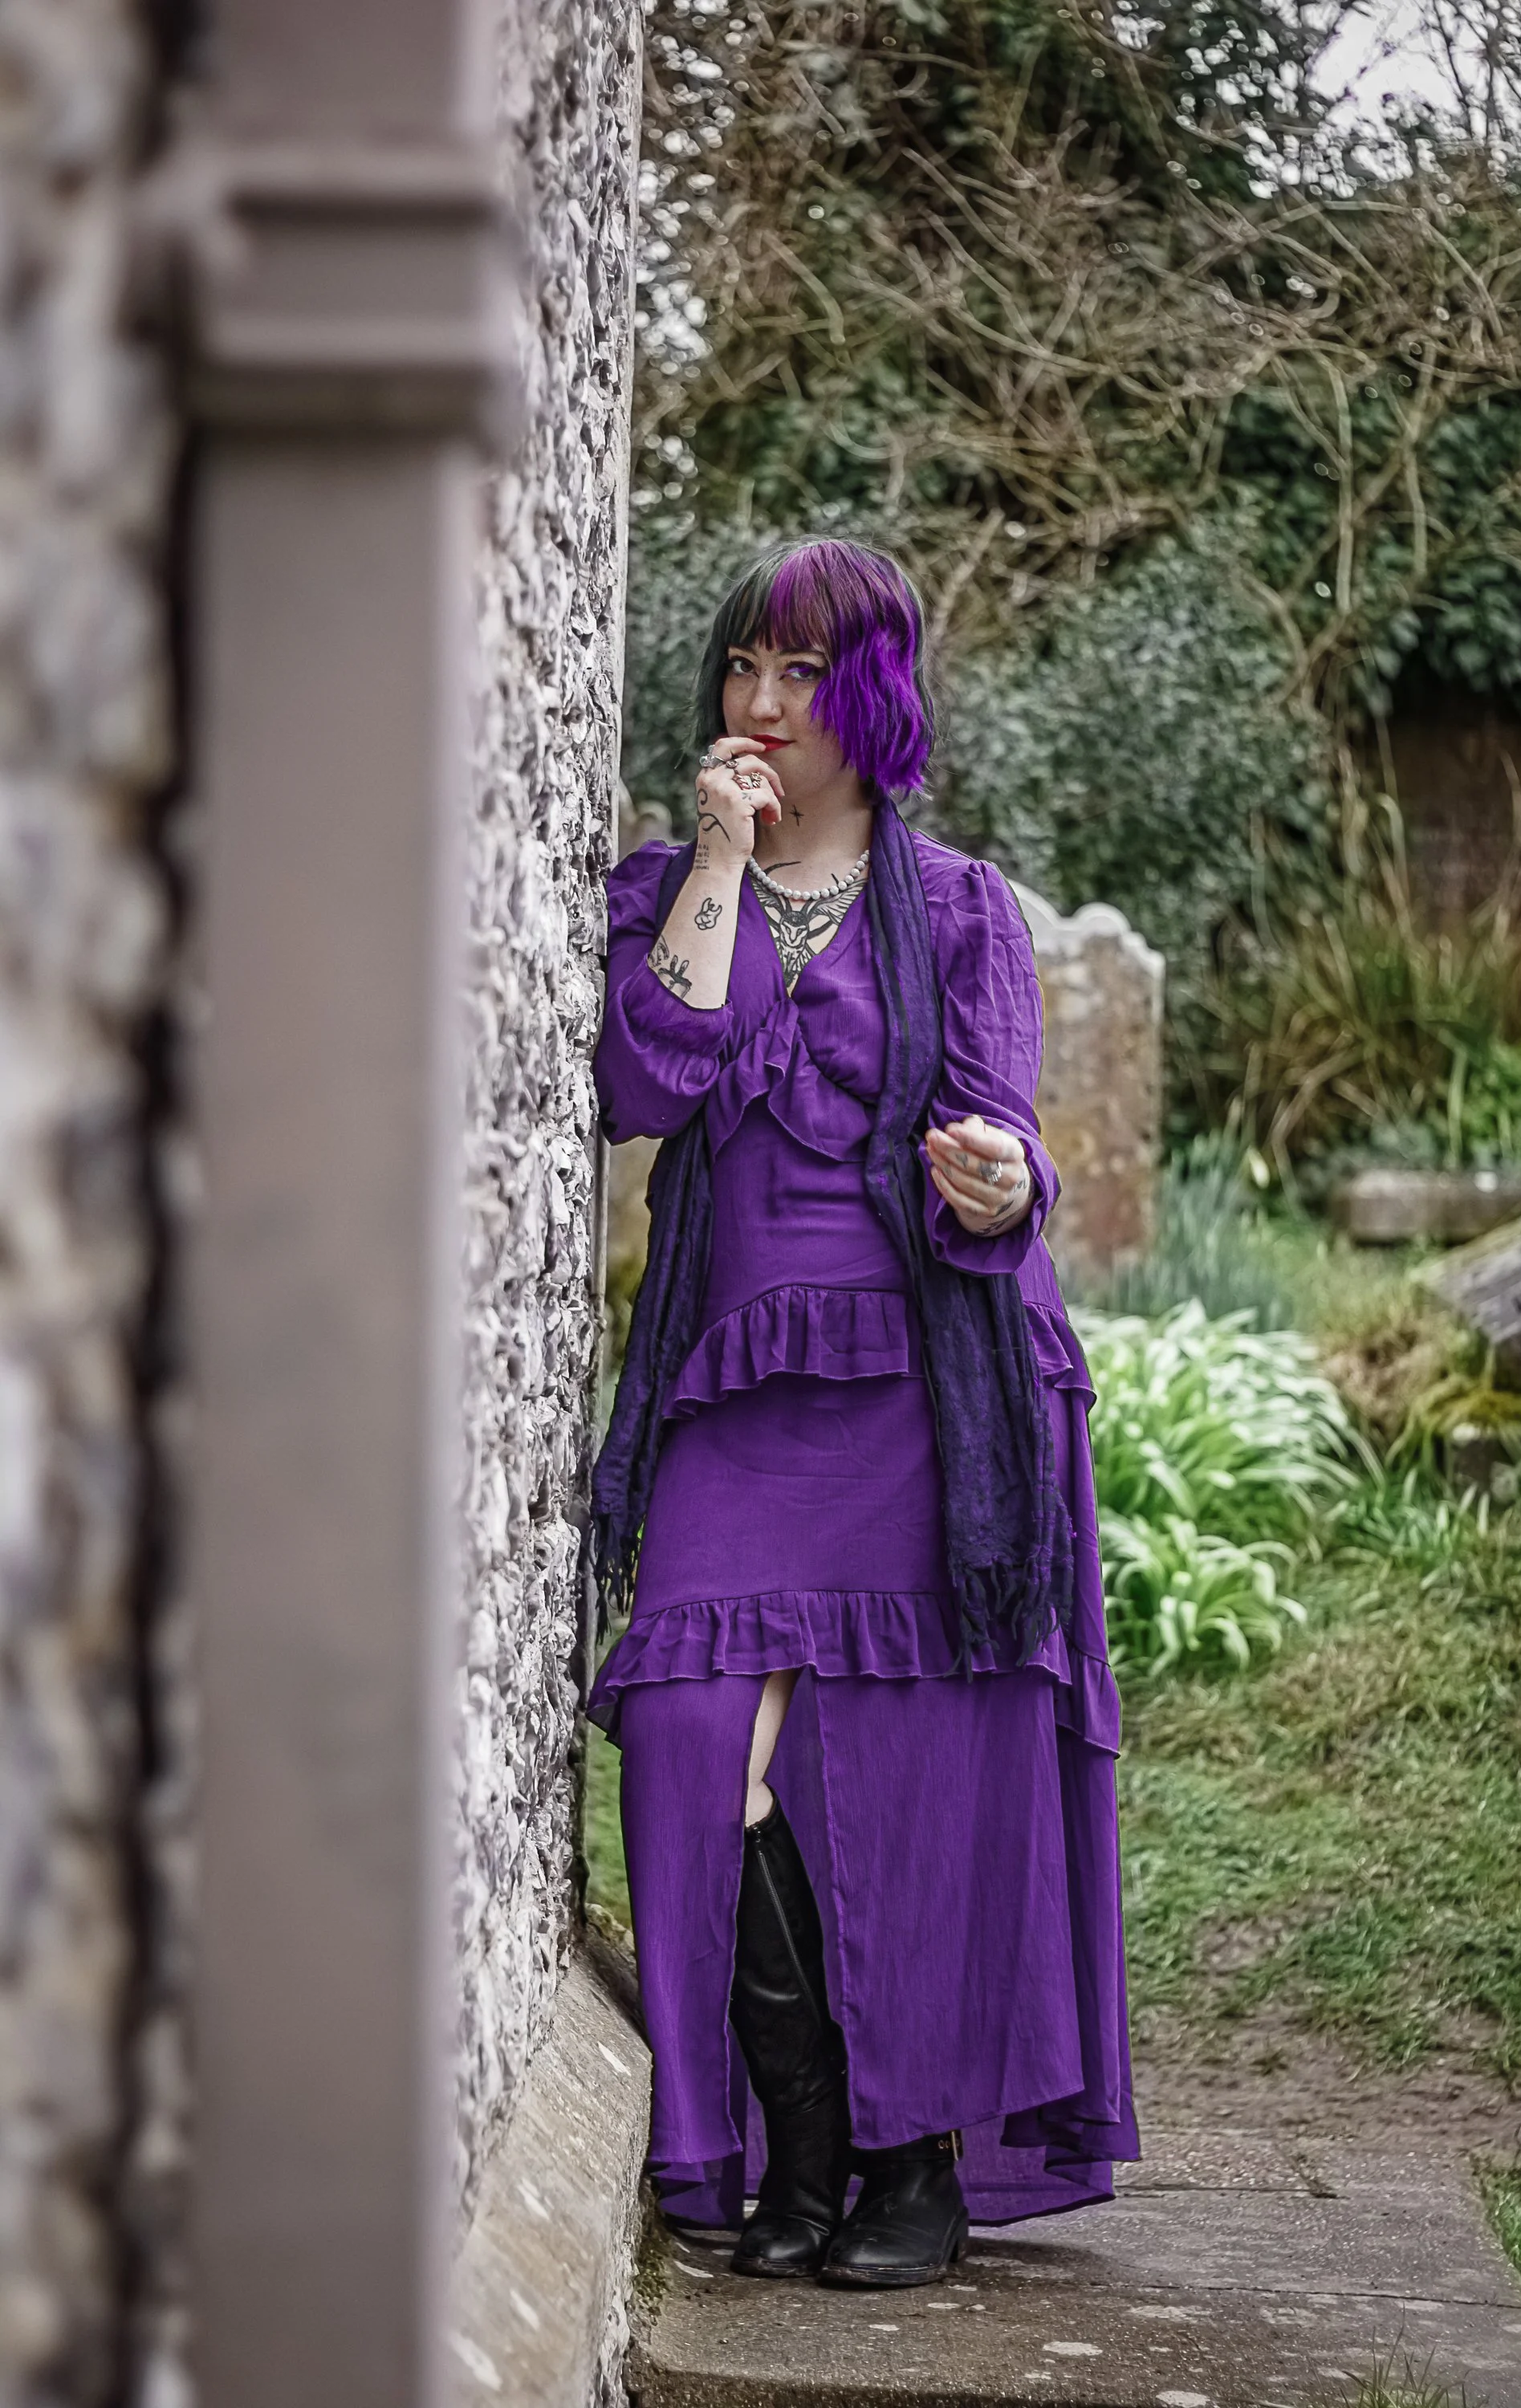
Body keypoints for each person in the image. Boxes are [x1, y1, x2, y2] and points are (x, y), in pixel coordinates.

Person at [588, 537, 1138, 2291]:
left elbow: (1007, 1137)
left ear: (871, 693)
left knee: (906, 1762)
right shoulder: (676, 884)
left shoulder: (963, 908)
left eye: (798, 675)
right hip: (738, 1384)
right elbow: (643, 1080)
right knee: (688, 1723)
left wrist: (1001, 1184)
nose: (759, 705)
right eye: (743, 667)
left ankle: (900, 2164)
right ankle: (775, 2133)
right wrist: (722, 866)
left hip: (933, 1389)